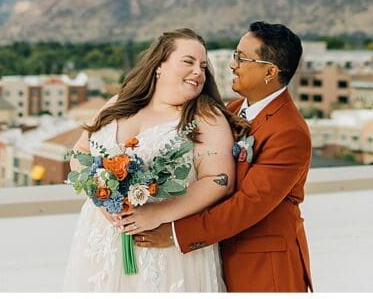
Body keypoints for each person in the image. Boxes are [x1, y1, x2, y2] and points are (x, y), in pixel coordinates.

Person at [127, 21, 314, 292]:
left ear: (270, 72)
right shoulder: (234, 109)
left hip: (264, 268)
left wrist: (175, 234)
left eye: (241, 58)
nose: (232, 65)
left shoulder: (289, 132)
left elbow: (247, 204)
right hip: (219, 254)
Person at [61, 28, 245, 292]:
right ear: (160, 65)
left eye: (203, 66)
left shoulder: (205, 116)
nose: (198, 72)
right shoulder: (119, 102)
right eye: (188, 62)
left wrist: (157, 214)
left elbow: (219, 180)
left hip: (163, 249)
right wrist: (101, 197)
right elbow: (81, 152)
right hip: (100, 240)